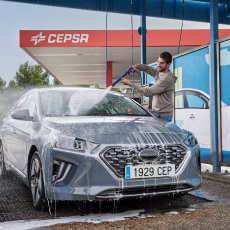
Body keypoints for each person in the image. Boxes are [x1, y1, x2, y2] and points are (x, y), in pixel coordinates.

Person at [120, 52, 177, 122]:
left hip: (163, 116)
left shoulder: (165, 78)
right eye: (158, 62)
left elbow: (148, 92)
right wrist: (137, 66)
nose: (158, 65)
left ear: (168, 64)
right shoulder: (160, 72)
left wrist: (130, 84)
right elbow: (148, 69)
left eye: (162, 63)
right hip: (157, 113)